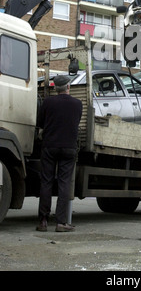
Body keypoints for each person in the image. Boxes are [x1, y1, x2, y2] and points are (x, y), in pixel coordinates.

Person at [36, 74, 83, 232]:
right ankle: (61, 222)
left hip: (49, 147)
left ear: (55, 88)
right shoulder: (77, 104)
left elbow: (40, 122)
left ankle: (43, 221)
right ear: (68, 87)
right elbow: (75, 123)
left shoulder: (48, 102)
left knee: (46, 182)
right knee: (64, 183)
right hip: (68, 147)